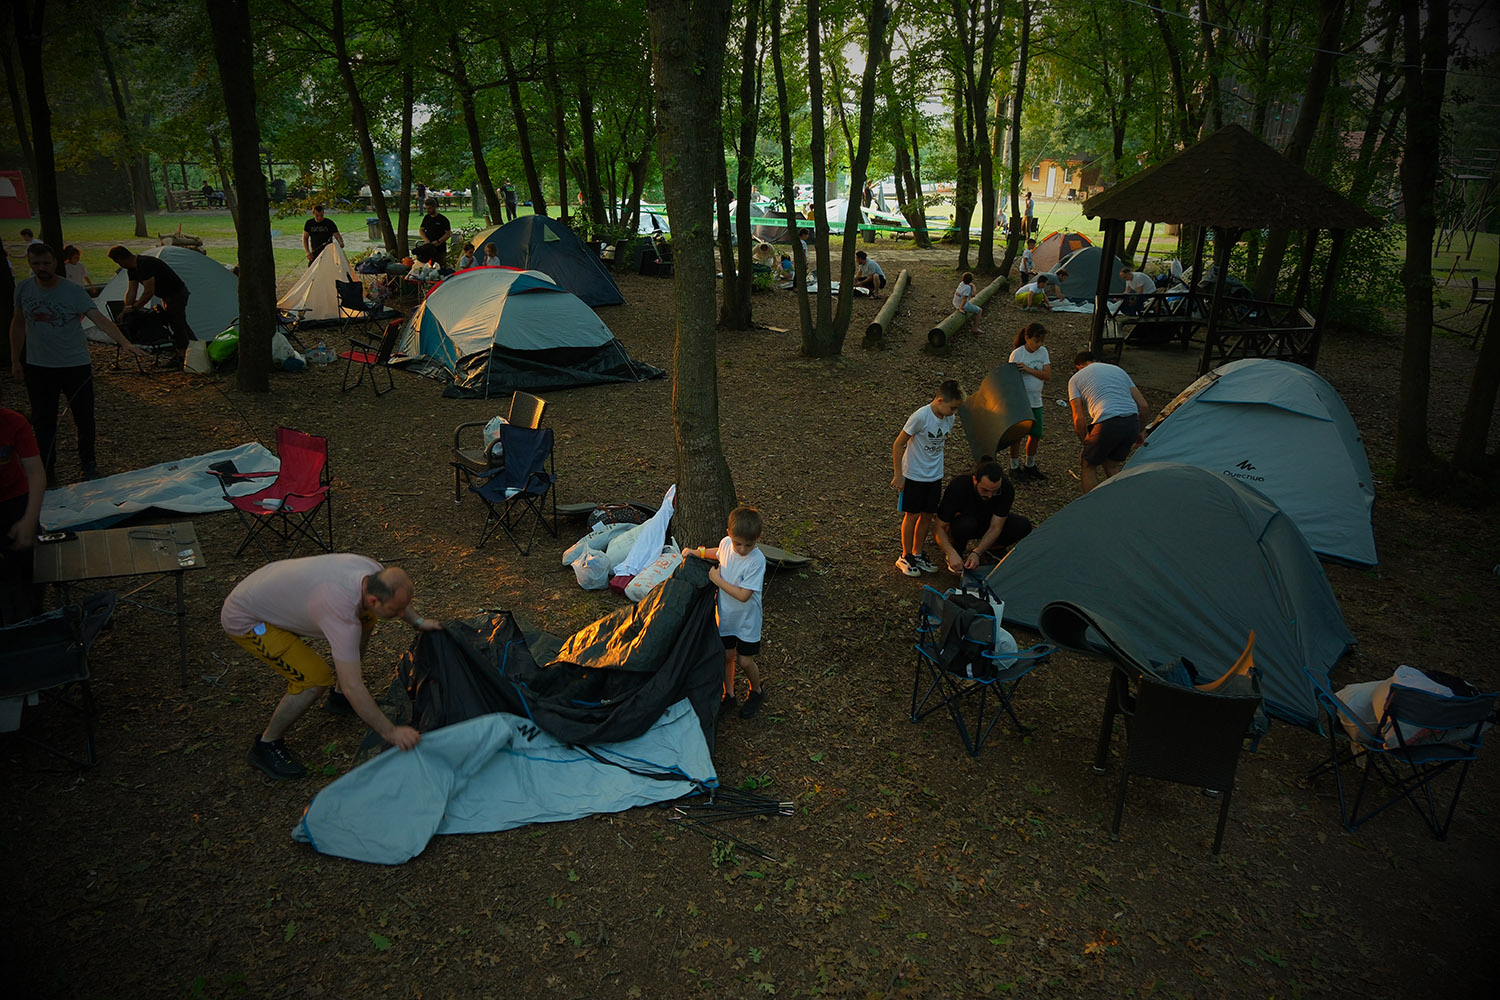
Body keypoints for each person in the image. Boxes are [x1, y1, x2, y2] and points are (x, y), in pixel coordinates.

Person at [221, 555, 444, 780]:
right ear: (374, 600)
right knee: (315, 679)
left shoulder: (373, 572)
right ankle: (266, 744)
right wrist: (391, 732)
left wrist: (418, 622)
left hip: (272, 593)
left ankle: (338, 700)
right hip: (247, 618)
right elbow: (353, 686)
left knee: (367, 619)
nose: (401, 614)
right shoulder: (341, 614)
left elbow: (397, 600)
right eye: (396, 611)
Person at [11, 243, 148, 484]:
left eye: (46, 263)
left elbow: (100, 320)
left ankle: (88, 463)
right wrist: (16, 360)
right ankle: (47, 468)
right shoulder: (23, 289)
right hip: (39, 367)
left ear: (55, 262)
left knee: (83, 417)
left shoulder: (72, 291)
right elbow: (18, 325)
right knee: (43, 421)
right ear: (30, 264)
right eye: (36, 264)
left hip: (74, 365)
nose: (41, 268)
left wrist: (124, 343)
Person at [689, 506, 768, 720]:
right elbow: (719, 551)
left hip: (746, 621)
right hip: (726, 617)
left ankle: (757, 691)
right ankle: (729, 694)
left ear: (757, 540)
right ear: (729, 534)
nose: (742, 549)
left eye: (748, 545)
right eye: (738, 543)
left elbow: (743, 595)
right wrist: (697, 552)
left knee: (744, 661)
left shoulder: (756, 561)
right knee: (727, 656)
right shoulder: (726, 544)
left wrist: (717, 580)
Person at [892, 379, 964, 577]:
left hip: (934, 475)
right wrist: (898, 475)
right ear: (940, 400)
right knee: (912, 515)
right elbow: (898, 444)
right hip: (914, 474)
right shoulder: (920, 417)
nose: (954, 412)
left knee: (927, 516)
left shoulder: (949, 418)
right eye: (953, 407)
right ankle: (905, 556)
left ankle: (918, 553)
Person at [1068, 352, 1152, 493]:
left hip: (1107, 421)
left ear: (1079, 366)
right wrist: (1140, 430)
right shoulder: (1118, 370)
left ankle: (1092, 508)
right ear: (1096, 360)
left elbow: (1079, 419)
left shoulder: (1075, 379)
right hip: (1131, 420)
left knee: (1087, 464)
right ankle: (1118, 503)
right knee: (1111, 464)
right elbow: (1143, 406)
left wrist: (1086, 443)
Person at [933, 457, 1033, 573]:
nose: (990, 495)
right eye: (985, 490)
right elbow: (938, 527)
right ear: (975, 480)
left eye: (995, 491)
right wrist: (950, 552)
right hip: (965, 523)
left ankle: (993, 548)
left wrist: (977, 552)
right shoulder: (959, 486)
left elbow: (996, 526)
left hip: (987, 523)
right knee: (966, 525)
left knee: (1022, 525)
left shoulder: (1006, 488)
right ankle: (957, 550)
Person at [106, 245, 196, 366]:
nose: (118, 264)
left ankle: (182, 356)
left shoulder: (145, 264)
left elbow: (149, 292)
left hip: (176, 293)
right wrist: (125, 310)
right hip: (166, 296)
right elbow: (132, 290)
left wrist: (134, 308)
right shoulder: (132, 269)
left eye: (117, 261)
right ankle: (196, 349)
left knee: (176, 323)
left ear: (121, 259)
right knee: (179, 321)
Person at [0, 398, 45, 623]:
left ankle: (34, 617)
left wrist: (29, 520)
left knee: (30, 564)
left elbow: (36, 474)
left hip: (15, 498)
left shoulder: (14, 422)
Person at [1008, 322, 1051, 480]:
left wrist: (1028, 369)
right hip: (1022, 401)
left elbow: (1047, 376)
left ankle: (1030, 464)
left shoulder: (1043, 352)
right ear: (1027, 338)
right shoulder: (1017, 354)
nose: (1039, 345)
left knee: (1036, 434)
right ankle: (1014, 466)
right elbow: (1010, 379)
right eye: (1036, 341)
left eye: (1041, 341)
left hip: (1036, 400)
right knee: (1017, 435)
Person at [417, 198, 452, 267]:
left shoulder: (442, 219)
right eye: (426, 208)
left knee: (440, 265)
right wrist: (425, 240)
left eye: (429, 208)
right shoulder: (427, 218)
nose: (428, 210)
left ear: (434, 207)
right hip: (428, 246)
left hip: (440, 248)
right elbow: (421, 230)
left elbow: (448, 233)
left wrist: (439, 241)